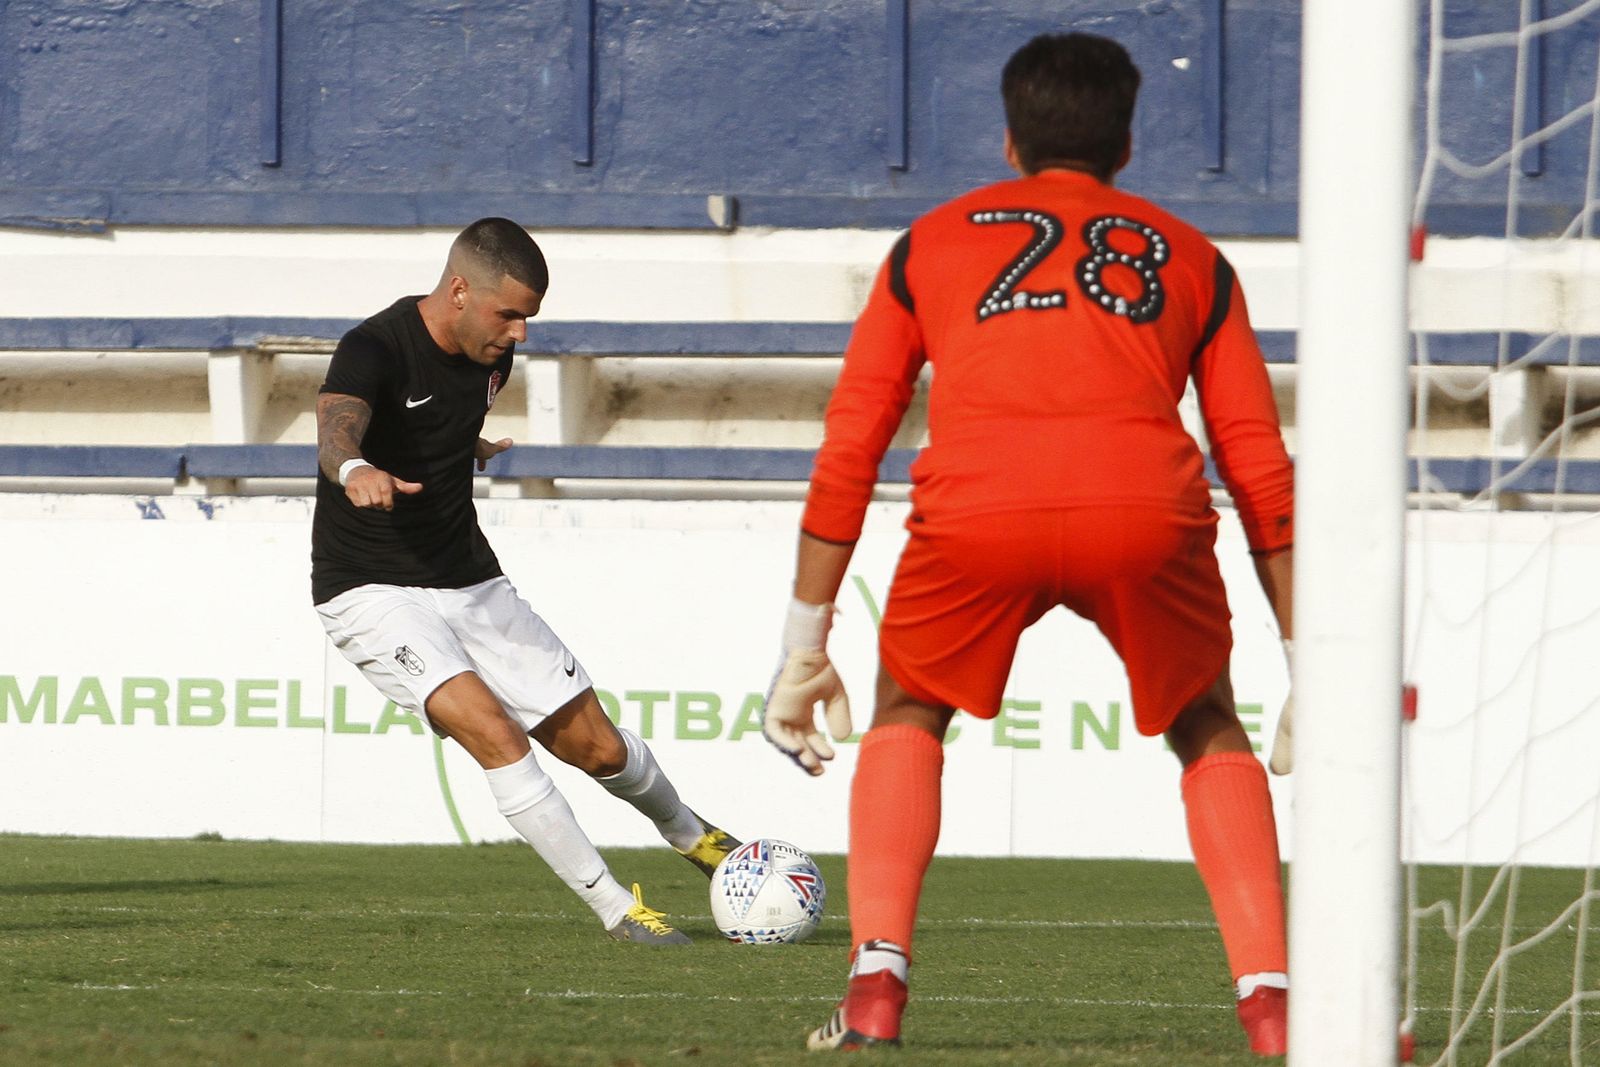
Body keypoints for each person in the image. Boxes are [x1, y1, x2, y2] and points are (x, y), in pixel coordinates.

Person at [761, 33, 1294, 1056]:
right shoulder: (1194, 256)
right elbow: (1258, 468)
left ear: (1009, 140)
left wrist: (802, 643)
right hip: (1142, 505)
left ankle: (876, 983)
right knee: (1207, 723)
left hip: (978, 509)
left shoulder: (929, 244)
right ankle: (1271, 1002)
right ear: (1127, 145)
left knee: (908, 710)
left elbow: (852, 441)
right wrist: (1306, 662)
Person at [312, 217, 738, 945]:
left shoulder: (490, 360)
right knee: (499, 734)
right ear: (457, 291)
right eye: (508, 312)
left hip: (470, 579)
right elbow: (335, 429)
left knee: (598, 747)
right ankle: (619, 910)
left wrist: (462, 443)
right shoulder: (373, 346)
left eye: (529, 317)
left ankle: (697, 838)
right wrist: (356, 469)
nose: (520, 332)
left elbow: (435, 415)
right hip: (370, 589)